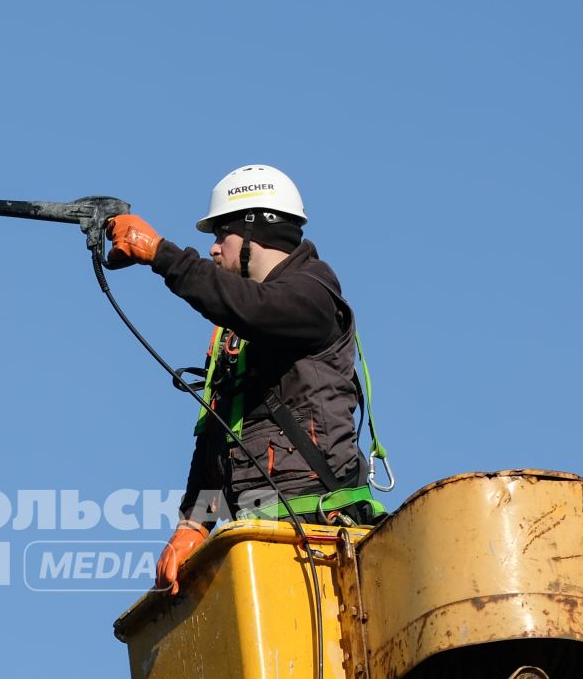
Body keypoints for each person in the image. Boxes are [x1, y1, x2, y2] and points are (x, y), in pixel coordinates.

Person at [105, 164, 384, 595]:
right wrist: (193, 524)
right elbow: (217, 440)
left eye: (222, 236)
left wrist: (162, 254)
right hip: (262, 536)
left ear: (257, 232)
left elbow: (254, 308)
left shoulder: (312, 296)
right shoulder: (236, 337)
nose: (214, 250)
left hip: (320, 531)